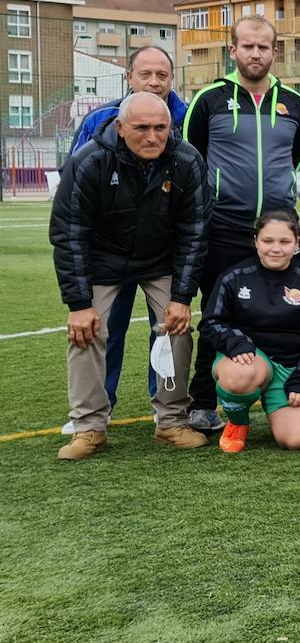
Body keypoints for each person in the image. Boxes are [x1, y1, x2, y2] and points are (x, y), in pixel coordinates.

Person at [51, 92, 210, 459]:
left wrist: (182, 298)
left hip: (160, 259)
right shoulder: (89, 161)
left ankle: (171, 421)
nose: (152, 136)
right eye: (141, 128)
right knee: (87, 330)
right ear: (121, 128)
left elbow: (195, 231)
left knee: (177, 327)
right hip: (103, 261)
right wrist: (78, 304)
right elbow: (69, 232)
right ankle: (89, 428)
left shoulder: (187, 160)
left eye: (160, 127)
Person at [182, 15, 300, 431]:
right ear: (232, 50)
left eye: (264, 46)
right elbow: (192, 161)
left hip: (277, 230)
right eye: (248, 46)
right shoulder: (209, 100)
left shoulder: (295, 104)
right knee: (216, 311)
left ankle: (289, 391)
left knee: (288, 308)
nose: (256, 53)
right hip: (223, 225)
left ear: (276, 52)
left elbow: (296, 160)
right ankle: (202, 402)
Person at [203, 211, 300, 453]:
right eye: (267, 241)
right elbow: (210, 323)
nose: (276, 249)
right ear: (255, 241)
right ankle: (238, 421)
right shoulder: (234, 277)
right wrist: (235, 342)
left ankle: (283, 400)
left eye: (284, 242)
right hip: (250, 360)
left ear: (297, 243)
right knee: (240, 375)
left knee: (297, 440)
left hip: (292, 367)